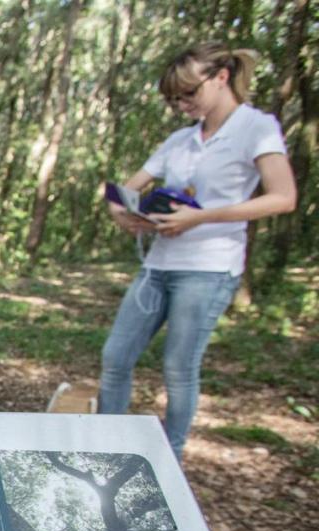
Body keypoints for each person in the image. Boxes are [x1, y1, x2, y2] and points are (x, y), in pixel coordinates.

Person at [101, 43, 296, 459]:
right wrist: (127, 216)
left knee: (178, 367)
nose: (182, 104)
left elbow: (282, 197)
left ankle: (169, 458)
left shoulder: (256, 127)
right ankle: (105, 447)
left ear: (221, 77)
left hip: (208, 267)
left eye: (189, 94)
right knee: (115, 356)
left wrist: (200, 217)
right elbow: (124, 191)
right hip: (157, 264)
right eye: (175, 99)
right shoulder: (180, 140)